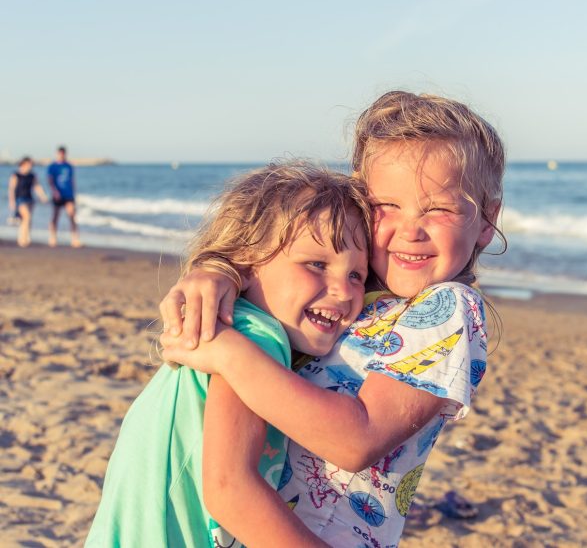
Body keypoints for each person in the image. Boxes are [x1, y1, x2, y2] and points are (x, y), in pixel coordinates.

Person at [160, 91, 505, 546]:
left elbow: (355, 440)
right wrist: (220, 271)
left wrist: (227, 351)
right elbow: (279, 262)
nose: (410, 230)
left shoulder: (449, 308)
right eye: (387, 206)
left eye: (439, 208)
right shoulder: (356, 294)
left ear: (486, 219)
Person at [86, 162, 371, 547]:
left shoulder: (242, 326)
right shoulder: (255, 336)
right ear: (247, 263)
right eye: (316, 264)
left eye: (357, 275)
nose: (342, 289)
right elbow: (230, 489)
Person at [7, 156, 49, 247]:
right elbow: (11, 189)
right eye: (29, 164)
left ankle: (24, 237)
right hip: (19, 199)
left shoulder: (32, 175)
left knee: (26, 220)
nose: (30, 166)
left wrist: (43, 196)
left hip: (29, 199)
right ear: (24, 164)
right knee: (27, 217)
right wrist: (12, 202)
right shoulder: (16, 175)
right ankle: (23, 240)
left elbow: (37, 186)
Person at [47, 145, 81, 247]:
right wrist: (54, 191)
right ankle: (52, 238)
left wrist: (74, 194)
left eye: (63, 154)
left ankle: (75, 239)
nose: (61, 155)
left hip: (68, 194)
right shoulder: (52, 166)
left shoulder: (69, 166)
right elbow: (50, 180)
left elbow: (72, 180)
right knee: (55, 216)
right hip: (57, 195)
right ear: (57, 154)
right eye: (60, 154)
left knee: (72, 215)